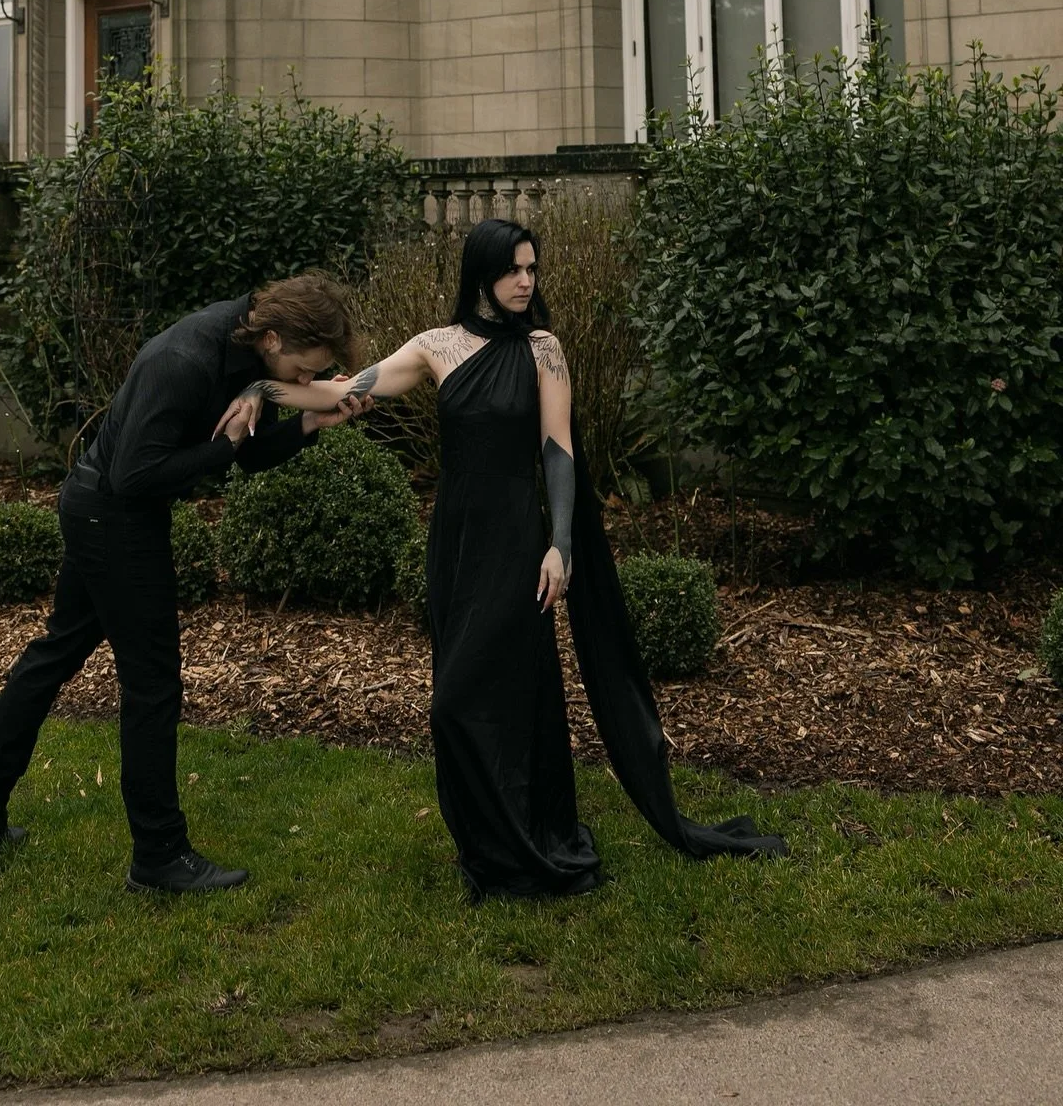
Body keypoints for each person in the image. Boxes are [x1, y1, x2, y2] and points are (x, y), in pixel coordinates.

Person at [222, 219, 786, 899]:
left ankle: (533, 840)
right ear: (483, 273)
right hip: (457, 543)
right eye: (514, 269)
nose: (527, 281)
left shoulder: (544, 351)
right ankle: (492, 849)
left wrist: (562, 543)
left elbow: (557, 449)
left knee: (476, 701)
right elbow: (345, 391)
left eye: (533, 269)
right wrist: (266, 392)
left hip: (518, 541)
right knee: (472, 696)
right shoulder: (436, 346)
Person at [0, 273, 370, 893]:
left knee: (55, 654)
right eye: (305, 370)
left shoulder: (243, 341)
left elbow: (242, 453)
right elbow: (138, 475)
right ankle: (159, 854)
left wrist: (307, 425)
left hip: (101, 508)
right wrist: (231, 440)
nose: (306, 384)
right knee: (152, 682)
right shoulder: (184, 361)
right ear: (273, 338)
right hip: (113, 515)